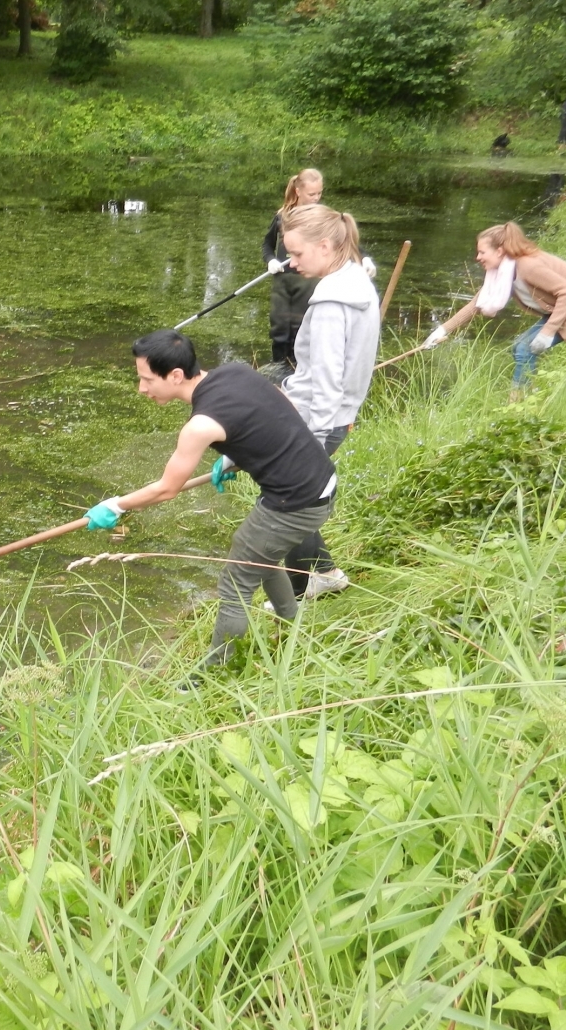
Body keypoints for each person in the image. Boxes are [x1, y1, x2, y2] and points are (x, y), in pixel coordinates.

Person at [84, 330, 337, 676]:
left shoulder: (200, 426)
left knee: (235, 582)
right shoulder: (235, 372)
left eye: (146, 380)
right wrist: (237, 456)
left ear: (174, 375)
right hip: (321, 482)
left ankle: (213, 673)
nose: (141, 389)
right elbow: (283, 409)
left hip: (295, 503)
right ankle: (293, 629)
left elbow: (166, 489)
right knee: (260, 556)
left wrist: (116, 506)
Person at [278, 204, 380, 601]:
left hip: (319, 418)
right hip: (337, 412)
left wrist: (313, 440)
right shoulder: (355, 280)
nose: (291, 262)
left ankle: (308, 585)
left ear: (324, 245)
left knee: (286, 505)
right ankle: (322, 573)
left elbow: (325, 379)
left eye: (298, 253)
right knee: (290, 498)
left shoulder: (330, 302)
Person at [422, 222, 566, 397]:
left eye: (481, 252)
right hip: (561, 309)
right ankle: (529, 394)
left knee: (525, 349)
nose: (477, 257)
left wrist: (547, 332)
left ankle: (518, 403)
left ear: (499, 251)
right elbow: (475, 305)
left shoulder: (527, 266)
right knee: (519, 346)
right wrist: (440, 331)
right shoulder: (502, 273)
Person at [260, 169, 323, 379]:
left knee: (301, 327)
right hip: (282, 279)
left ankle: (300, 371)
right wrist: (271, 261)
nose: (316, 199)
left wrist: (364, 258)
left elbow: (344, 242)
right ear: (298, 191)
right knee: (279, 327)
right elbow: (267, 245)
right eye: (311, 194)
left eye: (319, 194)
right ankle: (278, 369)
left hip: (308, 280)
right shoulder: (282, 215)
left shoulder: (322, 217)